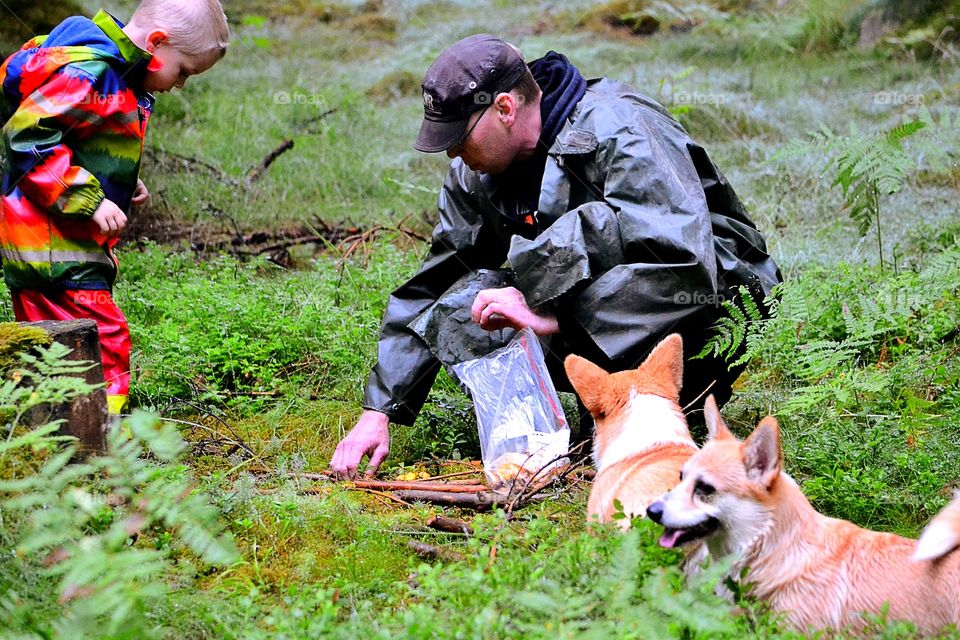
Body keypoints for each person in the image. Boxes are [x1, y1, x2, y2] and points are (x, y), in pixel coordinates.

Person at [330, 34, 782, 479]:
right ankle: (532, 452)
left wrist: (559, 318)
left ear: (505, 108)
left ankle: (636, 411)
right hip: (593, 307)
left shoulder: (621, 129)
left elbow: (684, 266)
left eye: (459, 136)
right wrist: (380, 410)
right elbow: (435, 283)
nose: (452, 151)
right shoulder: (474, 171)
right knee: (470, 303)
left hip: (711, 309)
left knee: (593, 228)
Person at [0, 0, 229, 415]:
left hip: (60, 241)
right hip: (51, 246)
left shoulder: (119, 72)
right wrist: (88, 197)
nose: (180, 85)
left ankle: (54, 432)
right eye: (183, 72)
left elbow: (80, 137)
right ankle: (104, 438)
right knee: (103, 336)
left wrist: (119, 175)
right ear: (157, 43)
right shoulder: (92, 71)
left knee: (51, 343)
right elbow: (28, 137)